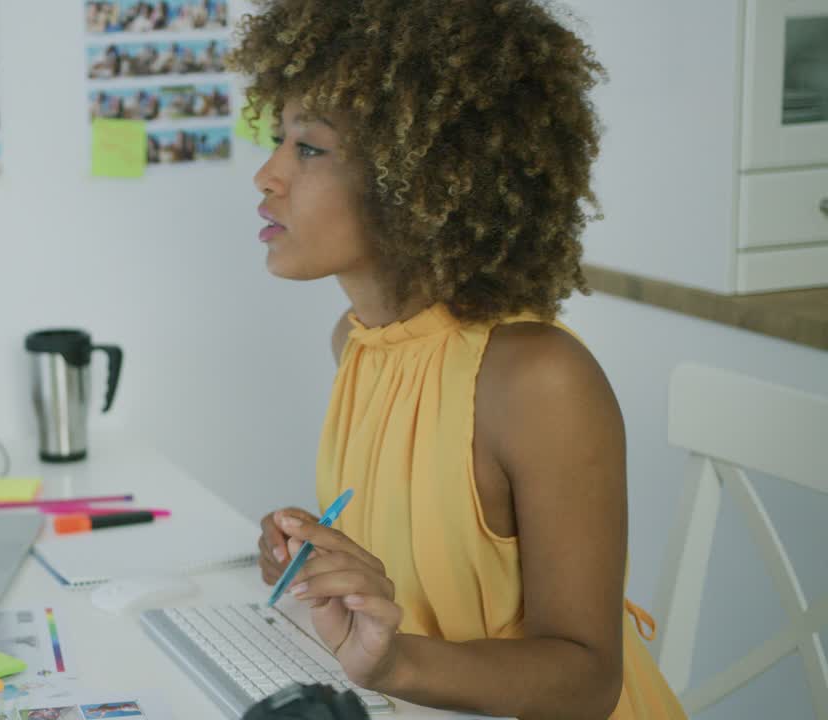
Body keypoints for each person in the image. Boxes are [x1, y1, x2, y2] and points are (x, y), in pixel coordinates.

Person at [229, 2, 686, 719]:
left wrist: (393, 659)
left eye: (308, 149)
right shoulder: (355, 342)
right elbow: (418, 568)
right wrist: (322, 568)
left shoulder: (538, 380)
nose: (267, 174)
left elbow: (588, 678)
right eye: (277, 139)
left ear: (420, 180)